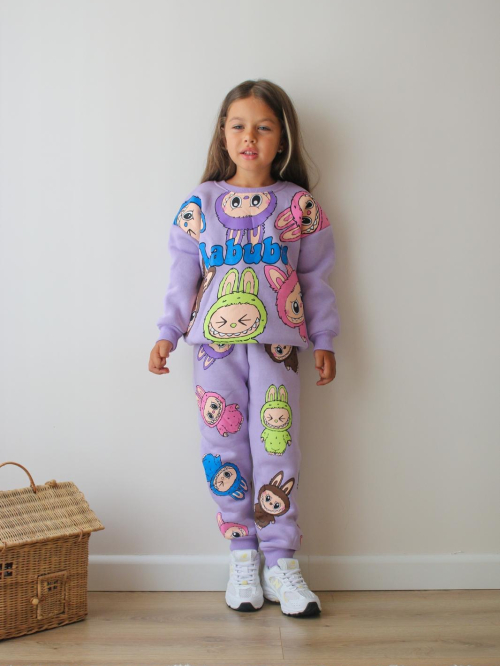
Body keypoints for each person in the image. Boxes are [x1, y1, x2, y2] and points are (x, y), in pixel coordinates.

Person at [149, 79, 340, 618]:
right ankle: (243, 556)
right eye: (238, 126)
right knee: (223, 447)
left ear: (282, 138)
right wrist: (167, 332)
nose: (249, 137)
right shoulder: (201, 203)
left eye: (263, 127)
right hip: (213, 349)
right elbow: (182, 277)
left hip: (281, 348)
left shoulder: (299, 206)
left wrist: (325, 338)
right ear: (223, 134)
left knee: (277, 447)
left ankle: (281, 563)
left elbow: (316, 280)